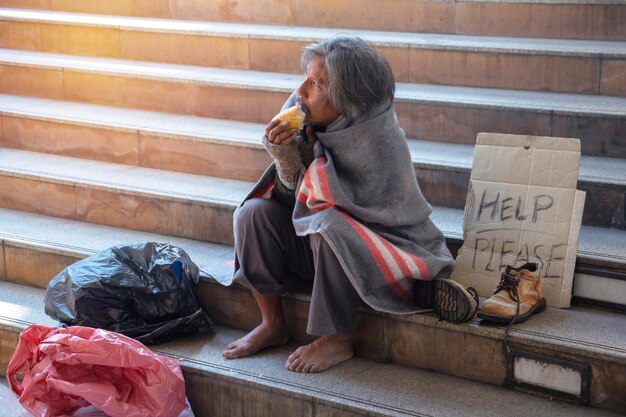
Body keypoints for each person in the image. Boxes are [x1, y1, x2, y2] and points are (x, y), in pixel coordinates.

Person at [223, 36, 478, 373]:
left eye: (315, 83)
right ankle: (272, 323)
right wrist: (287, 161)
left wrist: (305, 177)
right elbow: (293, 205)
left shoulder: (378, 141)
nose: (301, 90)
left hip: (376, 257)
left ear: (346, 100)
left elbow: (337, 213)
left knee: (328, 224)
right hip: (319, 257)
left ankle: (337, 338)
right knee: (252, 213)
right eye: (305, 77)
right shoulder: (303, 111)